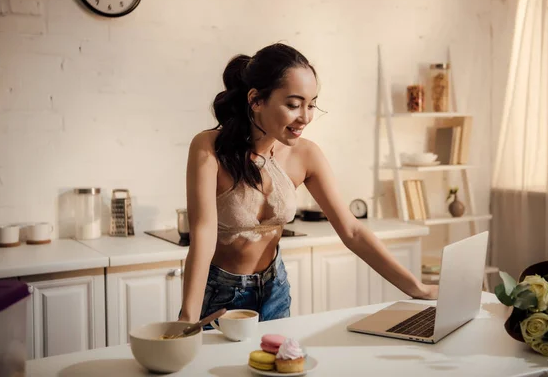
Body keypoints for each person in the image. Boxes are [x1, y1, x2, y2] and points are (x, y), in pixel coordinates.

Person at [179, 43, 438, 324]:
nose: (305, 117)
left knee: (278, 367)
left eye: (311, 104)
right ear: (256, 100)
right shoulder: (208, 147)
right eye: (293, 104)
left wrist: (417, 288)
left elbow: (352, 231)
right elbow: (202, 234)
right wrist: (187, 317)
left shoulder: (307, 154)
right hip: (221, 295)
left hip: (275, 291)